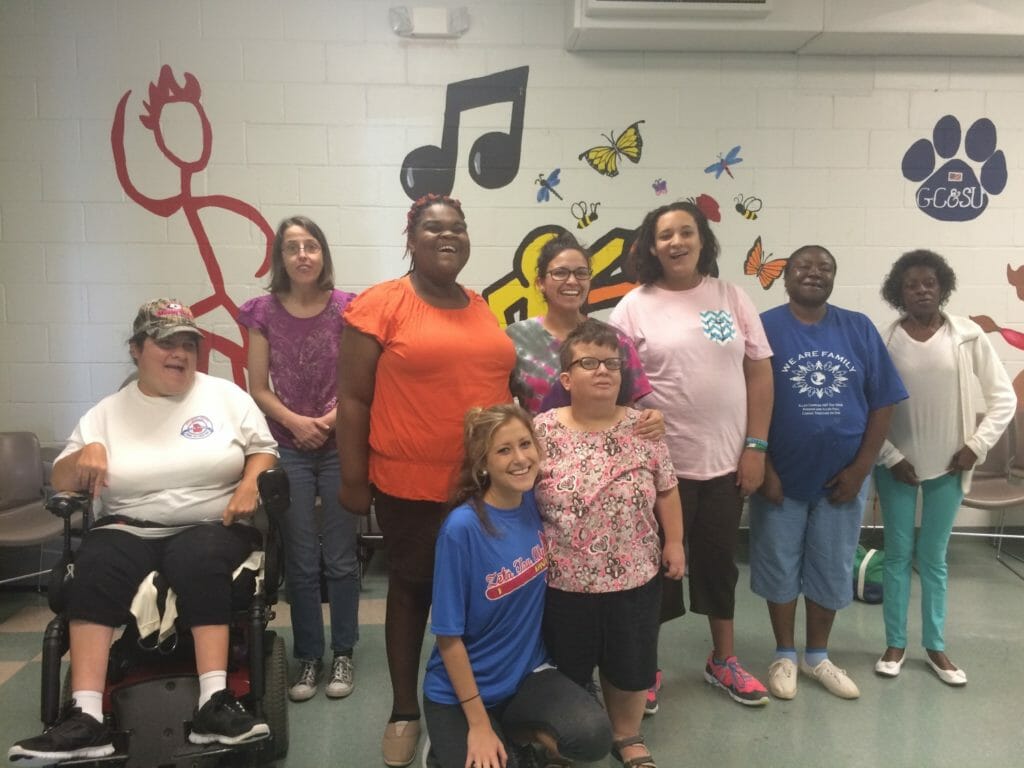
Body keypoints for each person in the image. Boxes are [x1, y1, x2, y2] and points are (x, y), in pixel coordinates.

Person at [8, 299, 279, 765]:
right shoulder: (106, 413)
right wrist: (83, 455)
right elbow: (63, 482)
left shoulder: (226, 397)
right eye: (166, 342)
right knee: (94, 561)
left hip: (210, 523)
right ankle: (85, 718)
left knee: (199, 556)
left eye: (189, 343)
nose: (180, 353)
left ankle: (214, 702)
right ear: (137, 350)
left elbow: (264, 450)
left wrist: (252, 481)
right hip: (128, 524)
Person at [336, 194, 516, 768]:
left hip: (486, 487)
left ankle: (475, 700)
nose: (449, 236)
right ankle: (404, 711)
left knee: (481, 596)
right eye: (434, 228)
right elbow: (353, 398)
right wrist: (352, 478)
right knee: (414, 591)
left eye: (458, 228)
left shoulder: (481, 304)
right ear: (409, 239)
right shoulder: (380, 305)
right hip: (412, 487)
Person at [609, 200, 774, 706]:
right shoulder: (633, 306)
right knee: (655, 570)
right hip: (658, 470)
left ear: (703, 240)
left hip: (725, 463)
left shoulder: (731, 297)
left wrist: (756, 446)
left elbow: (759, 373)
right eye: (665, 235)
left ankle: (722, 660)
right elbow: (615, 385)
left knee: (719, 565)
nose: (676, 242)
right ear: (651, 247)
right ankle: (646, 669)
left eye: (686, 232)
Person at [505, 231, 671, 715]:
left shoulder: (612, 339)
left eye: (581, 272)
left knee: (624, 611)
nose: (572, 280)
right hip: (545, 483)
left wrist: (655, 419)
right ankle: (567, 696)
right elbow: (502, 410)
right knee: (561, 615)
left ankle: (624, 689)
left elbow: (640, 402)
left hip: (612, 477)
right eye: (560, 272)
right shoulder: (515, 339)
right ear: (541, 282)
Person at [749, 245, 907, 701]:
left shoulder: (857, 328)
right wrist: (767, 468)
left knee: (832, 566)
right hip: (780, 479)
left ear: (834, 279)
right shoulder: (764, 328)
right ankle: (783, 654)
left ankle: (817, 656)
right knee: (778, 562)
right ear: (786, 277)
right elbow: (748, 400)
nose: (814, 274)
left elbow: (884, 401)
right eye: (804, 266)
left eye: (825, 268)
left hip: (843, 482)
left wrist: (861, 469)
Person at [423, 405, 611, 768]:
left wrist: (642, 419)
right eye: (504, 450)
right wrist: (477, 724)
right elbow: (448, 638)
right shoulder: (461, 530)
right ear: (483, 463)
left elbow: (585, 436)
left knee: (593, 737)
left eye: (526, 444)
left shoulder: (531, 500)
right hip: (459, 691)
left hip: (526, 675)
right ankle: (451, 743)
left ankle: (513, 737)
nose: (520, 458)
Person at [534, 319, 684, 768]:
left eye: (611, 364)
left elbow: (668, 488)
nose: (602, 371)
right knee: (568, 665)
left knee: (632, 661)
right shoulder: (541, 431)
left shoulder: (645, 429)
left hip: (635, 575)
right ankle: (571, 731)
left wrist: (674, 541)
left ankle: (626, 733)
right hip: (565, 580)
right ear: (566, 378)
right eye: (588, 363)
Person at [874, 249, 1015, 686]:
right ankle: (895, 644)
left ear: (943, 288)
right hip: (897, 467)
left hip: (951, 468)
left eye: (929, 283)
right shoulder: (884, 340)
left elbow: (1004, 399)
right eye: (911, 284)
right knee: (897, 556)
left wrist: (975, 446)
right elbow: (867, 407)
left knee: (933, 559)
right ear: (899, 292)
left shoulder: (968, 336)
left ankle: (935, 646)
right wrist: (891, 457)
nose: (921, 290)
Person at [238, 216, 359, 703]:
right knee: (303, 560)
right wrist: (297, 422)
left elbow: (357, 381)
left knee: (342, 558)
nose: (304, 255)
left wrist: (326, 422)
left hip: (339, 443)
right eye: (293, 248)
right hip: (287, 446)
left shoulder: (349, 309)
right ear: (280, 258)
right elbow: (258, 388)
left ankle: (344, 649)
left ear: (324, 254)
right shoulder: (262, 312)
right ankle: (309, 655)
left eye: (312, 245)